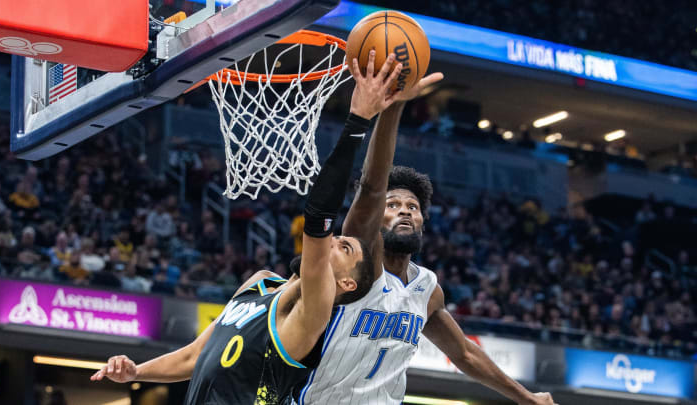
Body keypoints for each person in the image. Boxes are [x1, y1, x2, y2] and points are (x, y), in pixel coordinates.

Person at [90, 50, 403, 404]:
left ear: (345, 283)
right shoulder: (259, 283)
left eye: (344, 247)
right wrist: (137, 371)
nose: (333, 240)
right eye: (339, 238)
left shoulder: (312, 310)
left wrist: (358, 120)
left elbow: (319, 219)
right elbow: (195, 357)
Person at [293, 69, 556, 404]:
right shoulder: (358, 264)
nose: (405, 211)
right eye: (394, 204)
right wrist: (393, 107)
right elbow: (373, 187)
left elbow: (464, 354)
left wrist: (527, 398)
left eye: (413, 207)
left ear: (422, 221)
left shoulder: (426, 290)